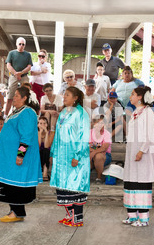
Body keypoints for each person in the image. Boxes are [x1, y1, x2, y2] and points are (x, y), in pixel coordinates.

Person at [0, 86, 42, 222]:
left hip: (18, 157)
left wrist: (20, 155)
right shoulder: (17, 112)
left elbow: (26, 136)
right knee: (10, 184)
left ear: (25, 98)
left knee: (16, 184)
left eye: (17, 95)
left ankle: (16, 212)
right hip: (8, 157)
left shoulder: (28, 112)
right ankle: (15, 211)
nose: (14, 98)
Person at [50, 86, 90, 227]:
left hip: (74, 156)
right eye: (64, 94)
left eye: (67, 95)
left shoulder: (81, 114)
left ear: (75, 98)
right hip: (61, 157)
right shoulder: (63, 113)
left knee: (74, 186)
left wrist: (77, 156)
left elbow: (84, 136)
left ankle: (77, 219)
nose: (64, 97)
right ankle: (69, 215)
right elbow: (57, 135)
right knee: (64, 187)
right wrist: (53, 152)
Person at [122, 86, 154, 227]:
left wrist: (142, 150)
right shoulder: (136, 112)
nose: (130, 96)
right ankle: (132, 215)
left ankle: (143, 218)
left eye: (133, 94)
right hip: (132, 152)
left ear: (140, 97)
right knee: (131, 182)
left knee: (142, 183)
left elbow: (150, 134)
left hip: (143, 153)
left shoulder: (148, 112)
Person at [5, 37, 33, 116]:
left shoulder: (28, 55)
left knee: (26, 94)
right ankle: (6, 115)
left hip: (24, 76)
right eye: (20, 44)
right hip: (13, 76)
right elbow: (8, 65)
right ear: (17, 44)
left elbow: (29, 66)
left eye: (23, 44)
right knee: (10, 95)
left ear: (25, 45)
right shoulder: (11, 53)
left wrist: (21, 73)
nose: (21, 45)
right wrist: (15, 73)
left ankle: (25, 113)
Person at [89, 114, 112, 184]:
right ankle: (85, 177)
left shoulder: (107, 133)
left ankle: (99, 177)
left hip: (105, 155)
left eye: (102, 123)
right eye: (98, 122)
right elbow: (87, 146)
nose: (100, 125)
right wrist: (95, 151)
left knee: (98, 156)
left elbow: (104, 148)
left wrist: (93, 152)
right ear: (94, 123)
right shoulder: (90, 132)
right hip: (91, 154)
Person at [38, 116, 54, 181]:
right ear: (38, 124)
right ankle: (40, 171)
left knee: (46, 150)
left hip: (48, 153)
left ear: (47, 124)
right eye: (40, 123)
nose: (43, 125)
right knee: (40, 151)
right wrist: (40, 133)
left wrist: (46, 133)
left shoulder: (51, 133)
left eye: (44, 123)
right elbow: (38, 145)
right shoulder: (35, 132)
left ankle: (45, 172)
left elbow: (47, 146)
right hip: (38, 152)